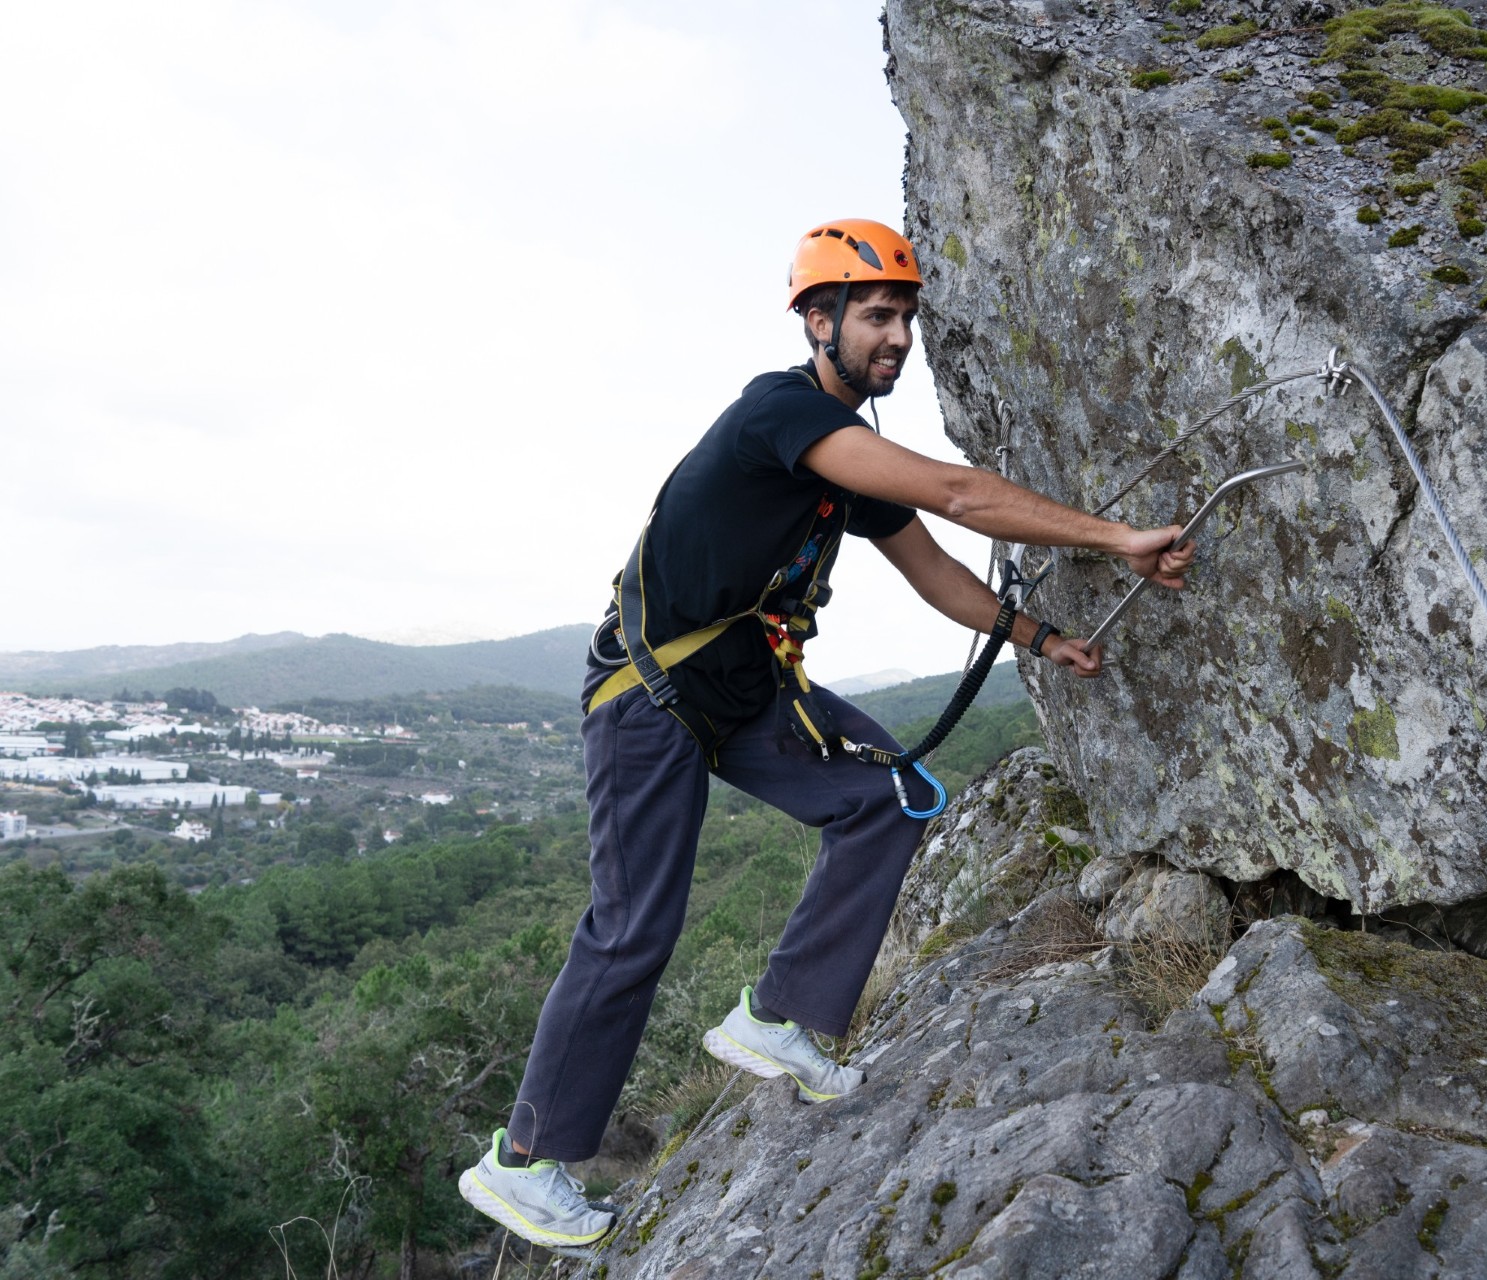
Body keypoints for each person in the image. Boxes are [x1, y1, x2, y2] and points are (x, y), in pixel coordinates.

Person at [458, 218, 1196, 1254]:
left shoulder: (844, 468)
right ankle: (523, 1160)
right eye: (877, 314)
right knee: (634, 927)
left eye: (906, 318)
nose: (897, 336)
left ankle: (782, 1014)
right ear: (819, 318)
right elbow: (954, 490)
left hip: (745, 690)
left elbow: (936, 568)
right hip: (650, 696)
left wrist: (1039, 634)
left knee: (889, 798)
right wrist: (1115, 536)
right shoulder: (781, 413)